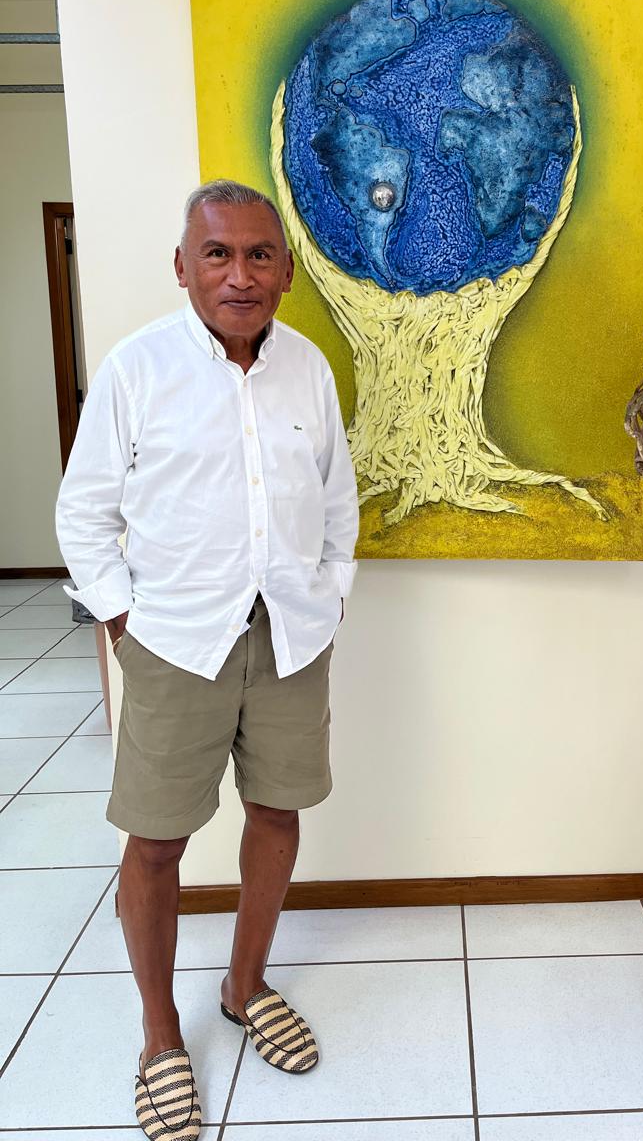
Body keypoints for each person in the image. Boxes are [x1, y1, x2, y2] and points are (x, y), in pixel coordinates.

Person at [56, 179, 359, 1141]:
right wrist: (123, 623)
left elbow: (337, 499)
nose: (240, 274)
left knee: (277, 812)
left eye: (260, 254)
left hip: (290, 636)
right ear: (182, 267)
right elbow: (83, 513)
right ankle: (159, 1037)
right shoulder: (136, 369)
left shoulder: (307, 369)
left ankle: (244, 985)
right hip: (175, 641)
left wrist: (330, 592)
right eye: (218, 254)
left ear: (286, 271)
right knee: (156, 842)